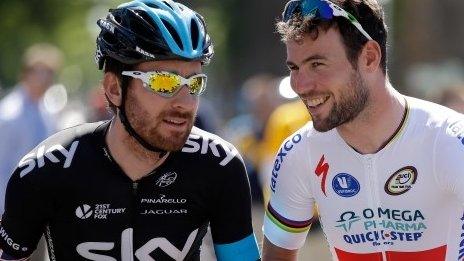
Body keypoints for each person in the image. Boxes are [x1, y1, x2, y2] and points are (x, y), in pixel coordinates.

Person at [0, 0, 260, 260]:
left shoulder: (219, 164)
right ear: (114, 89)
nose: (185, 102)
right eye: (163, 82)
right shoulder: (45, 169)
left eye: (194, 83)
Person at [262, 0, 464, 260]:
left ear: (369, 57)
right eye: (294, 68)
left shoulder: (450, 140)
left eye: (317, 64)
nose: (300, 85)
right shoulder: (299, 152)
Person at [0, 43, 63, 215]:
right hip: (11, 208)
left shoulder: (47, 110)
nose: (47, 79)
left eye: (50, 73)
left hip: (36, 205)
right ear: (25, 74)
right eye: (41, 72)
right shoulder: (9, 114)